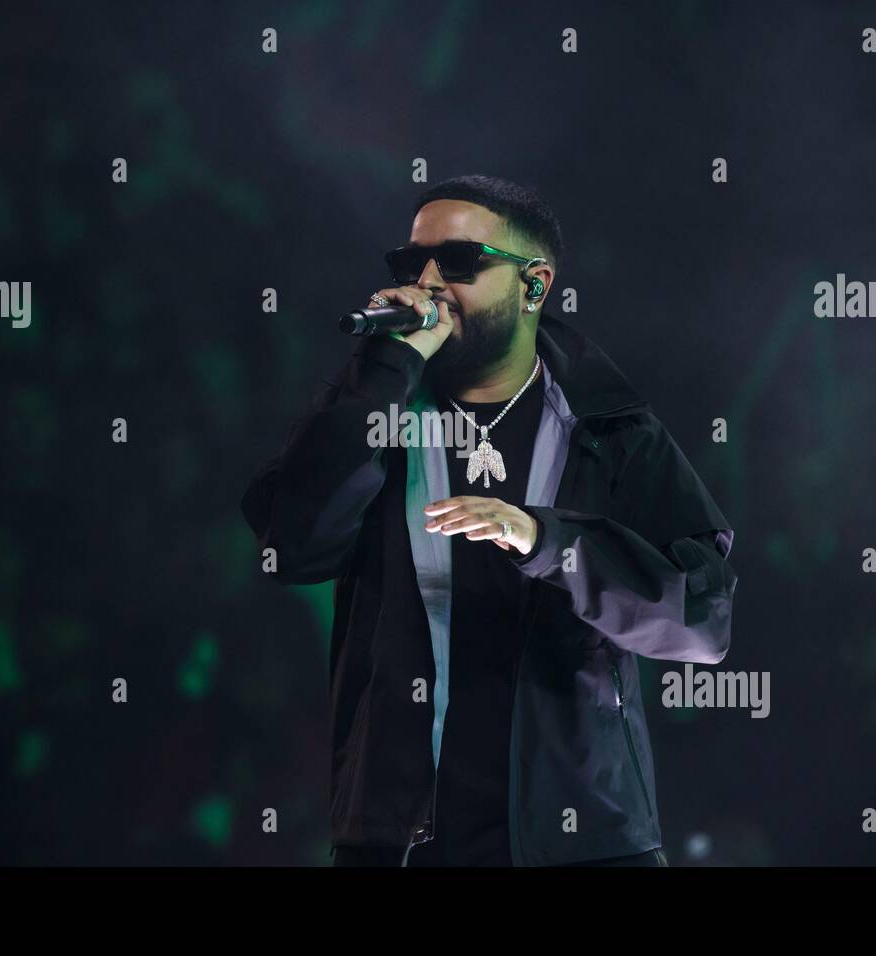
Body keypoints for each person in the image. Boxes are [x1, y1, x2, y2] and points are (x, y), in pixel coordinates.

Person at [242, 175, 737, 866]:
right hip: (398, 839)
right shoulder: (379, 410)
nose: (428, 281)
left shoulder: (612, 430)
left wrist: (548, 541)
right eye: (411, 263)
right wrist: (381, 370)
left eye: (461, 261)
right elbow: (290, 546)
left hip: (582, 840)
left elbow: (701, 622)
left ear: (535, 285)